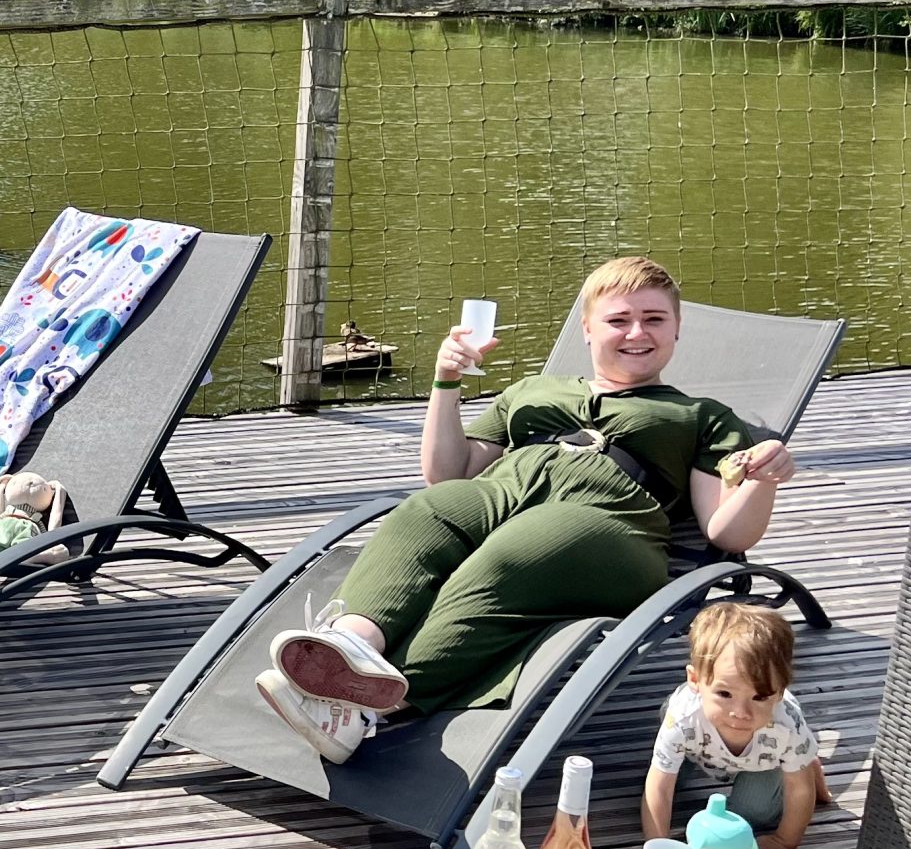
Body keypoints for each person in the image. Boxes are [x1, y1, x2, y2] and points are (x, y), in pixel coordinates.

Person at [254, 255, 799, 762]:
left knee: (519, 549)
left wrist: (763, 481)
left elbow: (726, 534)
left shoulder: (702, 415)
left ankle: (376, 706)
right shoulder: (533, 390)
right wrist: (446, 381)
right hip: (502, 491)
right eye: (618, 320)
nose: (637, 333)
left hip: (610, 522)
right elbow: (448, 472)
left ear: (676, 329)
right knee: (428, 510)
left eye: (654, 319)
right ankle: (347, 648)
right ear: (587, 329)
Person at [640, 602, 825, 849]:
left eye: (759, 697)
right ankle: (801, 759)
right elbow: (659, 785)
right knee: (667, 782)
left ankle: (804, 761)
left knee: (754, 812)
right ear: (695, 680)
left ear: (780, 691)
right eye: (724, 694)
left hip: (764, 762)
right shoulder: (683, 717)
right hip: (696, 744)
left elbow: (799, 789)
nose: (741, 713)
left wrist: (785, 841)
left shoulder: (786, 728)